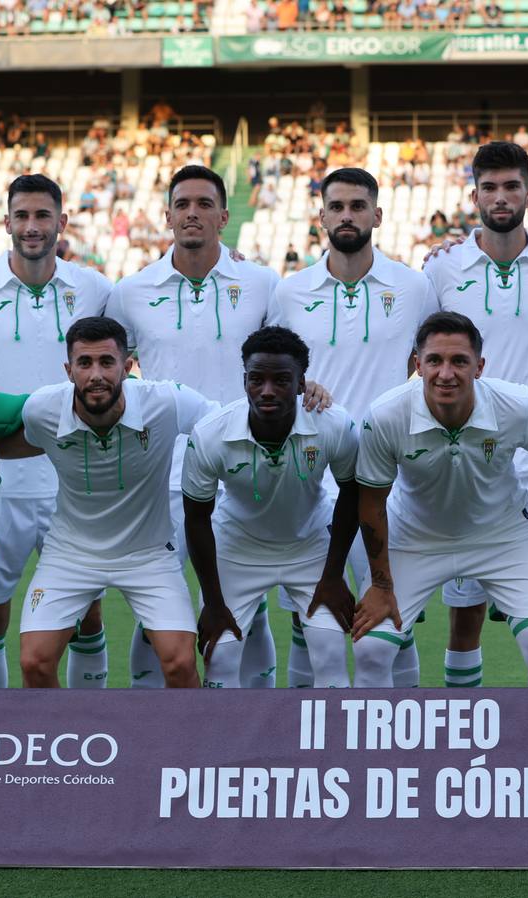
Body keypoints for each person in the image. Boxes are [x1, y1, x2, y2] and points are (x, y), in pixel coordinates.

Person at [351, 312, 528, 688]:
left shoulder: (515, 405)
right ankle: (384, 748)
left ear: (480, 367)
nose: (446, 373)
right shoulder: (385, 416)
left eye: (459, 361)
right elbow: (370, 504)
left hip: (503, 537)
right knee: (370, 652)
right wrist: (381, 586)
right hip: (416, 539)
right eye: (435, 360)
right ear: (418, 365)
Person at [422, 141, 528, 688]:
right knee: (465, 613)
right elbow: (416, 355)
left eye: (511, 186)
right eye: (490, 188)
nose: (501, 197)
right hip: (463, 460)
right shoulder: (442, 266)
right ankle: (461, 727)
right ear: (474, 195)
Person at [106, 165, 282, 689]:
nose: (192, 213)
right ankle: (151, 721)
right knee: (155, 605)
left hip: (244, 471)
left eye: (205, 204)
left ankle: (256, 721)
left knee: (242, 605)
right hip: (163, 474)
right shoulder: (131, 291)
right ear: (167, 216)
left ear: (225, 216)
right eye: (183, 204)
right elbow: (109, 373)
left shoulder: (262, 283)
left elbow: (285, 365)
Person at [272, 167, 436, 688]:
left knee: (391, 618)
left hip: (390, 475)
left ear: (377, 215)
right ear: (321, 216)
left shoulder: (414, 287)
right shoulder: (289, 292)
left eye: (358, 205)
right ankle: (308, 744)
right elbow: (274, 373)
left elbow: (430, 366)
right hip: (311, 471)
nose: (347, 215)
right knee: (310, 617)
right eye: (337, 206)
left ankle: (399, 746)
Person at [0, 174, 113, 689]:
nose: (32, 227)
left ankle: (92, 727)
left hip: (76, 483)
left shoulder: (94, 287)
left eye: (43, 216)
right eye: (22, 216)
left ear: (62, 222)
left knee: (87, 615)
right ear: (6, 223)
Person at [0, 317, 213, 689]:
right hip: (70, 554)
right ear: (68, 371)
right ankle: (65, 741)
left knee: (179, 664)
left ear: (127, 367)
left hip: (148, 554)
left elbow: (228, 421)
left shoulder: (166, 402)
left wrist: (301, 396)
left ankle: (186, 746)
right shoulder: (42, 410)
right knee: (34, 662)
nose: (96, 374)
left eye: (107, 362)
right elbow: (5, 441)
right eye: (84, 363)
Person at [183, 326, 360, 689]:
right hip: (237, 550)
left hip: (309, 548)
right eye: (256, 379)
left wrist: (332, 576)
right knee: (221, 656)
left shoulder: (333, 425)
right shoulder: (210, 434)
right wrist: (213, 603)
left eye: (281, 380)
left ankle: (327, 746)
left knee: (329, 653)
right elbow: (197, 518)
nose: (267, 390)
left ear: (301, 384)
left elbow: (352, 495)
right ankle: (226, 746)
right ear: (244, 380)